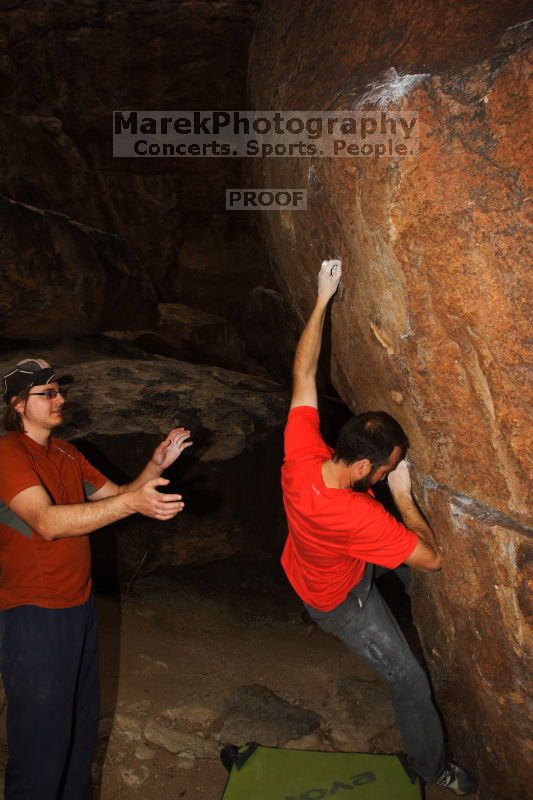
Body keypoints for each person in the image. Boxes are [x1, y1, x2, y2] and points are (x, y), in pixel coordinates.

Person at [281, 260, 477, 796]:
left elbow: (303, 373)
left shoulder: (302, 454)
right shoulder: (359, 512)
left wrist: (322, 299)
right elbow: (434, 558)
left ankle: (404, 591)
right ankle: (431, 767)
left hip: (321, 557)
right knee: (409, 680)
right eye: (388, 467)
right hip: (341, 599)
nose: (391, 472)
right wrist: (403, 495)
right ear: (366, 469)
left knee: (400, 567)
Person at [0, 358, 192, 800]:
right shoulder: (9, 452)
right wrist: (131, 505)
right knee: (40, 744)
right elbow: (46, 521)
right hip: (35, 613)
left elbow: (122, 496)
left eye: (58, 389)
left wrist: (156, 464)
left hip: (78, 609)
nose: (59, 398)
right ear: (17, 405)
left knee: (78, 731)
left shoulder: (67, 452)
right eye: (46, 393)